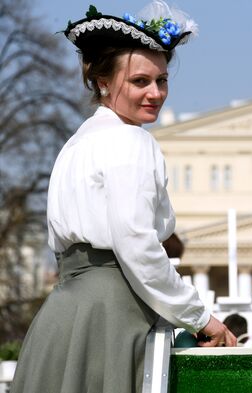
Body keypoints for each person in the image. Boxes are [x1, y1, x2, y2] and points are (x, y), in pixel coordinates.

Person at [11, 2, 236, 392]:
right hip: (113, 315)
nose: (156, 93)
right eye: (140, 81)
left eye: (161, 80)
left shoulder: (78, 142)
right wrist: (200, 317)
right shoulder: (130, 140)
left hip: (65, 313)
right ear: (103, 82)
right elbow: (137, 244)